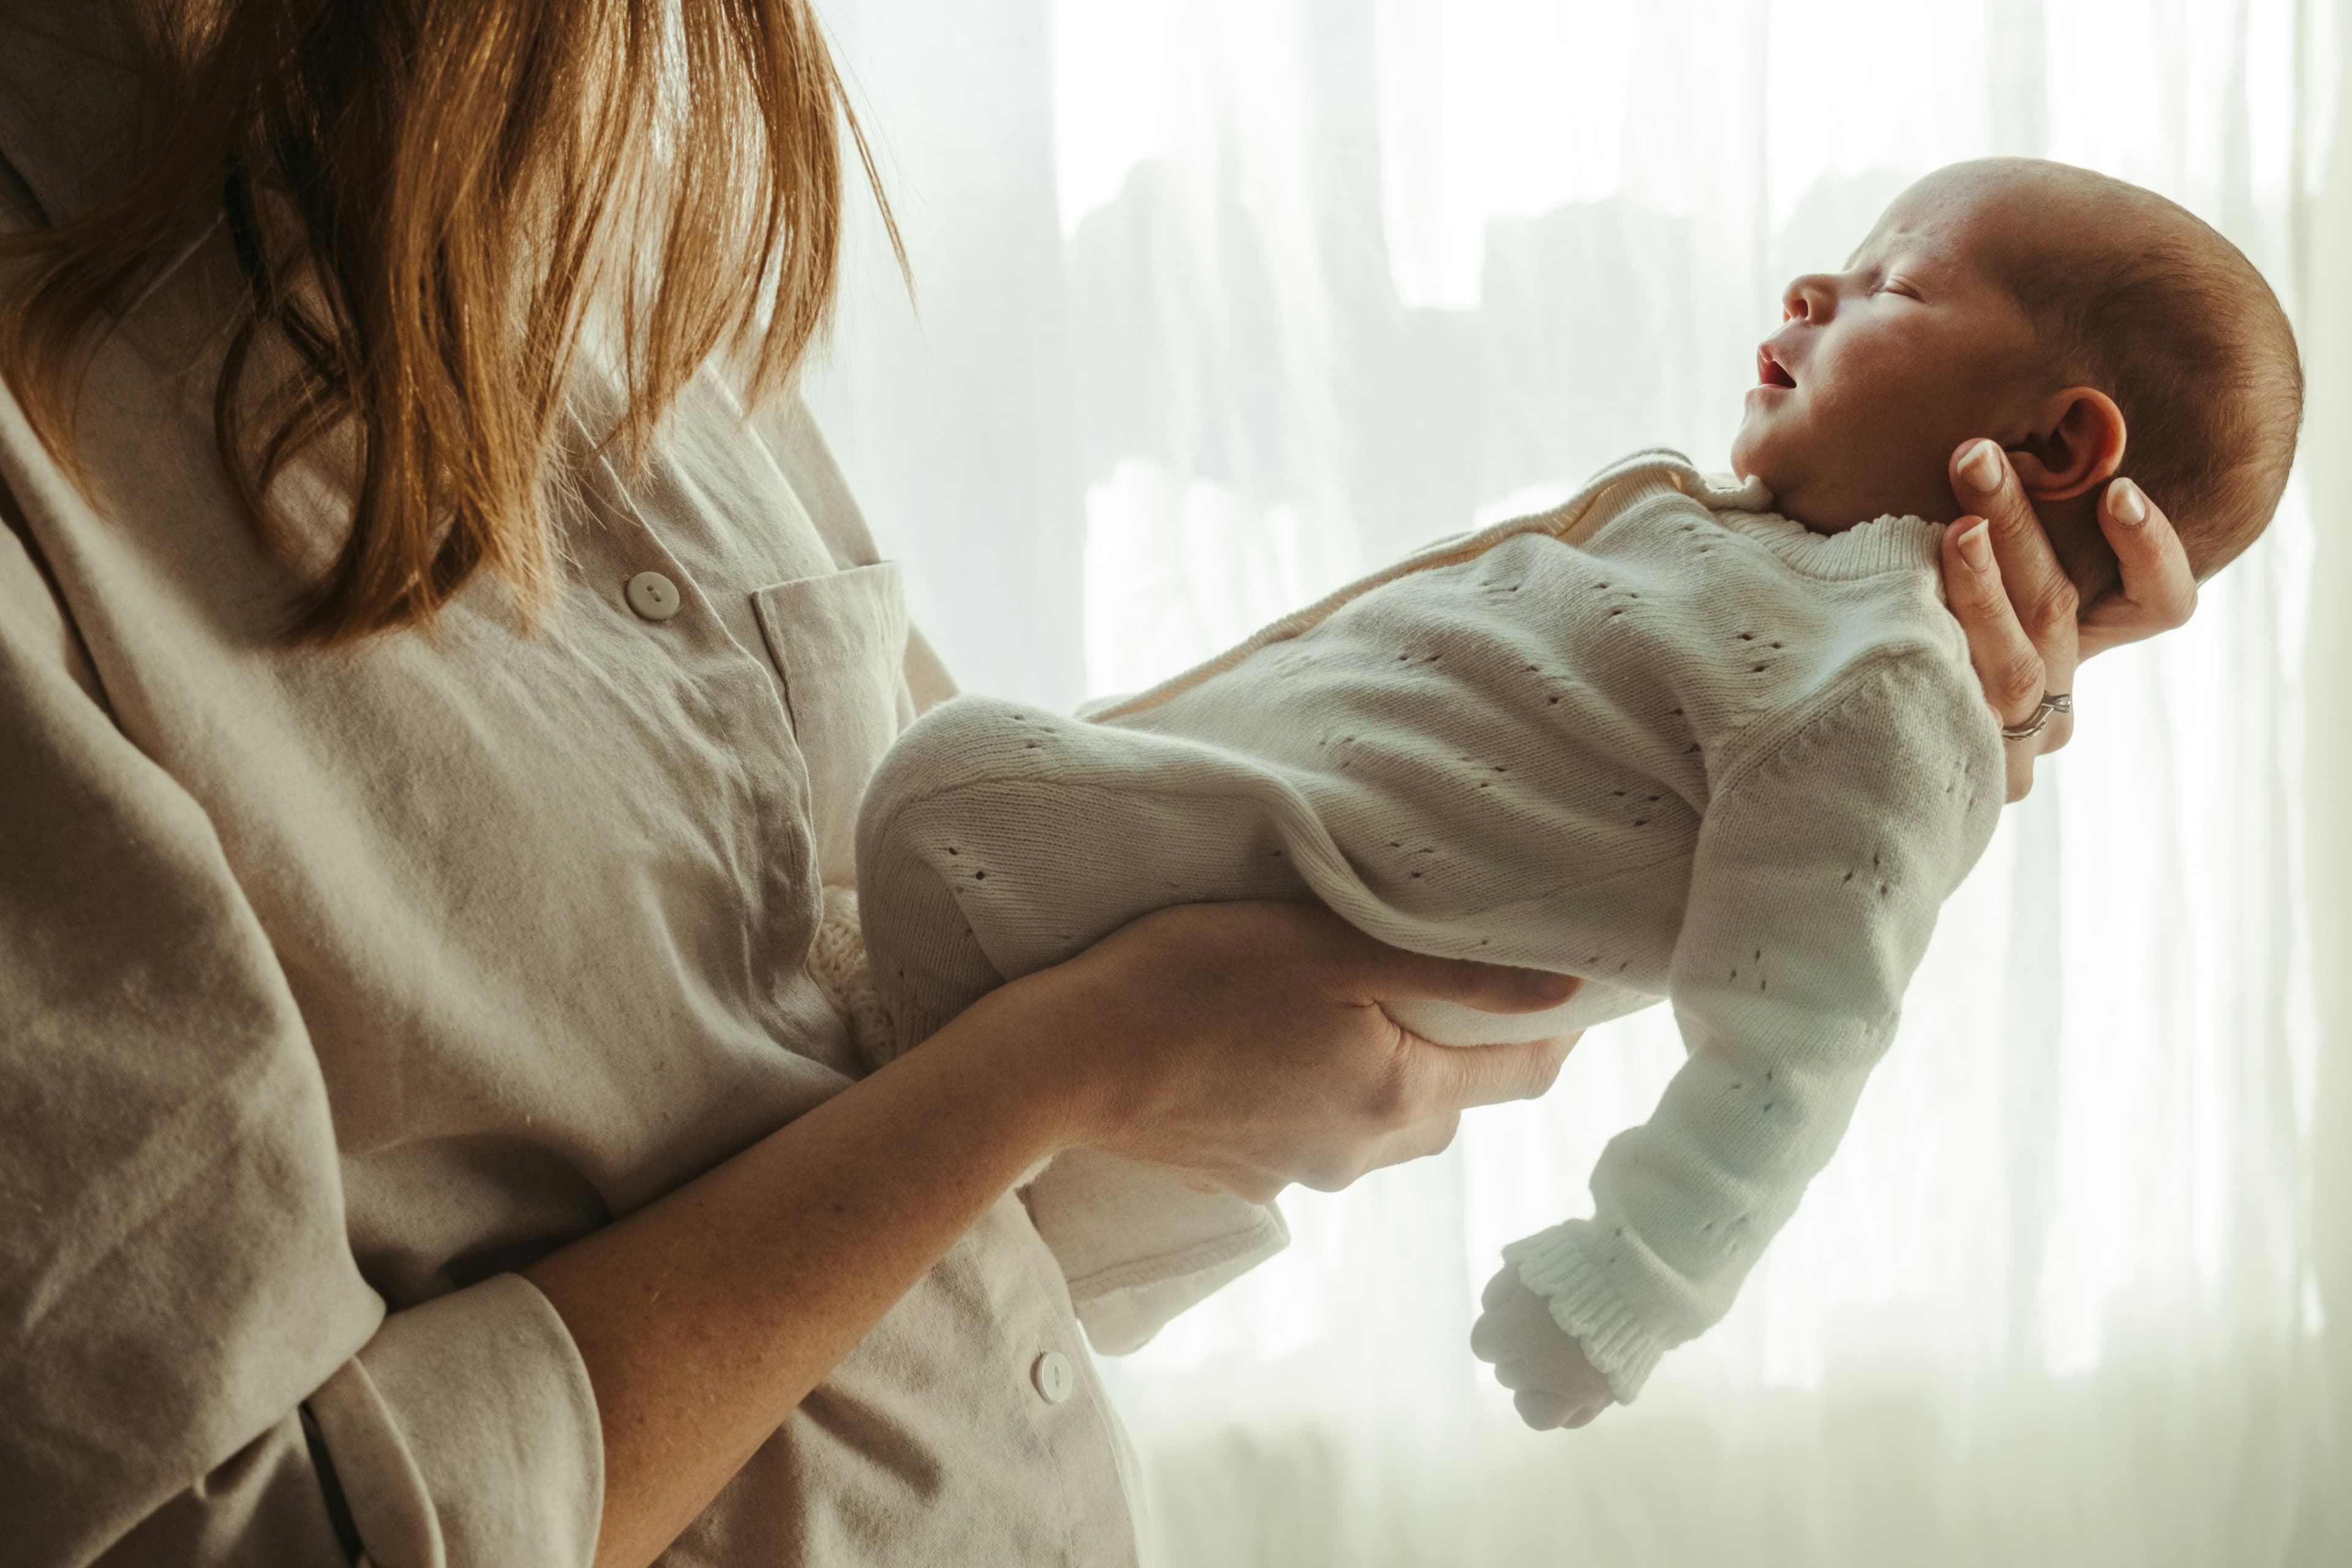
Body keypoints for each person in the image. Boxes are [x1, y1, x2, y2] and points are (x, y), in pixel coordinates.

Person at [0, 7, 2199, 1567]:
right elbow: (233, 1539)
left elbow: (910, 1141)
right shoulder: (55, 492)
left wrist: (1802, 772)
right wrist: (1082, 1054)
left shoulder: (559, 251)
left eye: (1897, 284)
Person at [843, 157, 2300, 1438]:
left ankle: (904, 1119)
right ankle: (969, 1172)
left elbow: (1802, 1037)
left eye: (1892, 287)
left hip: (1290, 890)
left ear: (2054, 449)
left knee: (948, 786)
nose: (1810, 286)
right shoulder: (1769, 563)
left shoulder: (1887, 678)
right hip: (1221, 850)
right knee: (972, 832)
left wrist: (1635, 1281)